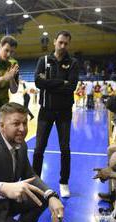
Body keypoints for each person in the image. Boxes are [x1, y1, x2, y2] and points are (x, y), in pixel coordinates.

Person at [32, 30, 79, 198]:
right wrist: (61, 82)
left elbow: (71, 86)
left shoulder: (72, 63)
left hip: (65, 112)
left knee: (65, 148)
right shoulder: (43, 61)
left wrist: (49, 83)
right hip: (46, 111)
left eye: (66, 43)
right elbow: (38, 82)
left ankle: (64, 182)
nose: (63, 46)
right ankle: (35, 181)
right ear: (54, 41)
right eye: (60, 42)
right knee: (39, 148)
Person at [0, 35, 19, 132]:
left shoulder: (13, 64)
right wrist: (4, 78)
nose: (8, 54)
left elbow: (14, 90)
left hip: (3, 108)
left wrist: (11, 78)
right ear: (0, 46)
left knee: (2, 139)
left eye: (12, 52)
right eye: (6, 50)